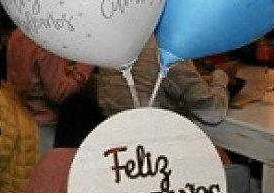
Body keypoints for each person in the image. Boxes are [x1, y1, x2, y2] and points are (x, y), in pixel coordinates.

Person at [97, 36, 233, 126]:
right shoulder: (168, 47)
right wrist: (222, 76)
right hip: (157, 152)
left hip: (118, 148)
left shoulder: (116, 39)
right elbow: (212, 113)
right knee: (239, 169)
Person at [5, 27, 94, 154]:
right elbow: (58, 92)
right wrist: (85, 66)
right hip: (42, 123)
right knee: (41, 169)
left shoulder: (18, 33)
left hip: (18, 118)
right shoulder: (46, 41)